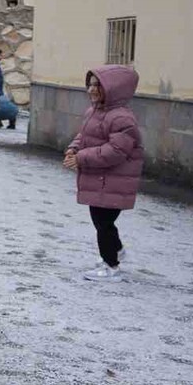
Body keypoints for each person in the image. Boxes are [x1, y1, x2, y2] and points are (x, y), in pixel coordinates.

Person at [63, 66, 143, 284]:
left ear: (114, 89)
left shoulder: (122, 118)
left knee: (104, 222)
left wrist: (81, 158)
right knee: (101, 221)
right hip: (100, 179)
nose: (92, 89)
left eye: (98, 85)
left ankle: (112, 266)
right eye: (91, 84)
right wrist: (74, 148)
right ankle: (115, 252)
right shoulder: (95, 112)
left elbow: (116, 151)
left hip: (113, 179)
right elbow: (85, 136)